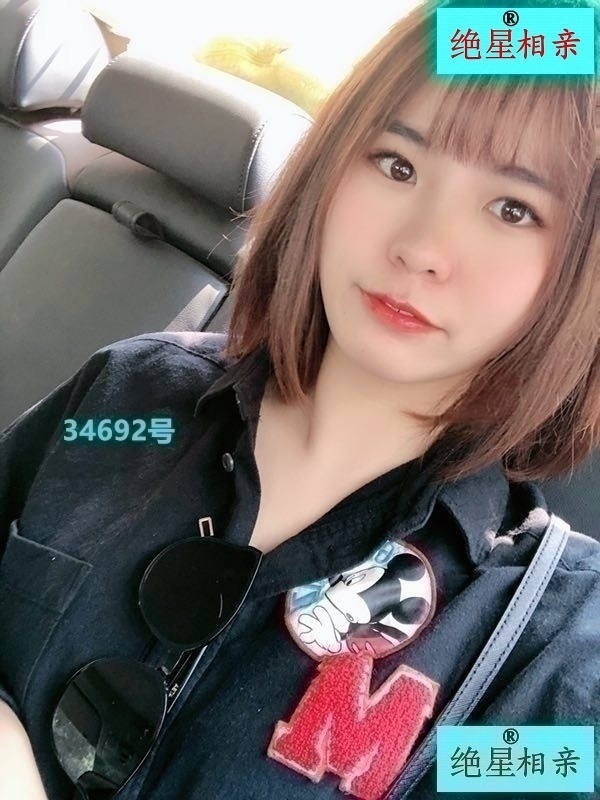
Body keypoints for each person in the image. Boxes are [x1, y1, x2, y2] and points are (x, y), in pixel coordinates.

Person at [1, 0, 599, 798]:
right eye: (396, 164)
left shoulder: (551, 650)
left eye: (513, 210)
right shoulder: (129, 399)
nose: (420, 247)